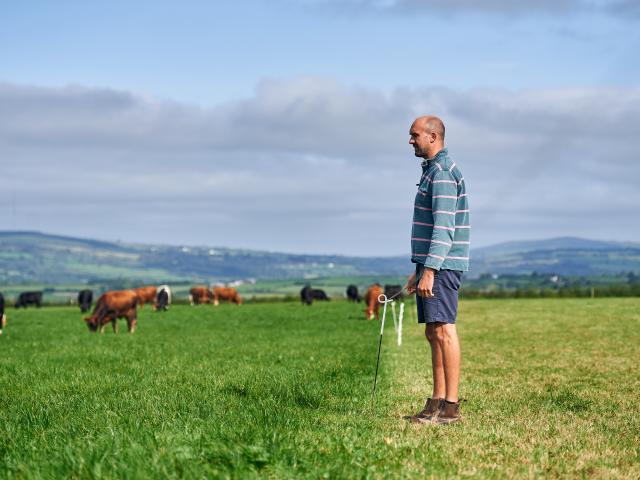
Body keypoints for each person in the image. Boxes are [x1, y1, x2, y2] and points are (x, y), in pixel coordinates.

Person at [403, 115, 470, 425]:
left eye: (415, 135)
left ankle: (451, 407)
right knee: (433, 332)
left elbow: (444, 228)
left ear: (432, 137)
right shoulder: (431, 171)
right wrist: (419, 270)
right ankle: (436, 402)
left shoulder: (441, 173)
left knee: (444, 330)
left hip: (441, 265)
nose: (411, 140)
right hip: (430, 264)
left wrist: (429, 270)